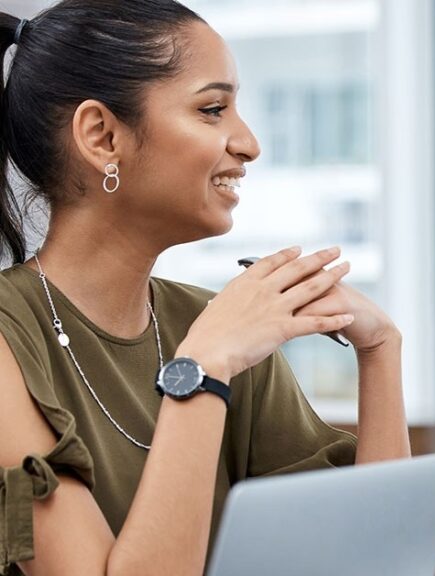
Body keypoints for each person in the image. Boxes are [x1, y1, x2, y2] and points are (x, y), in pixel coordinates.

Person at [0, 1, 411, 574]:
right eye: (213, 109)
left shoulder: (216, 328)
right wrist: (201, 371)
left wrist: (381, 350)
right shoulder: (12, 338)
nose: (248, 144)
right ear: (102, 136)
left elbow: (369, 561)